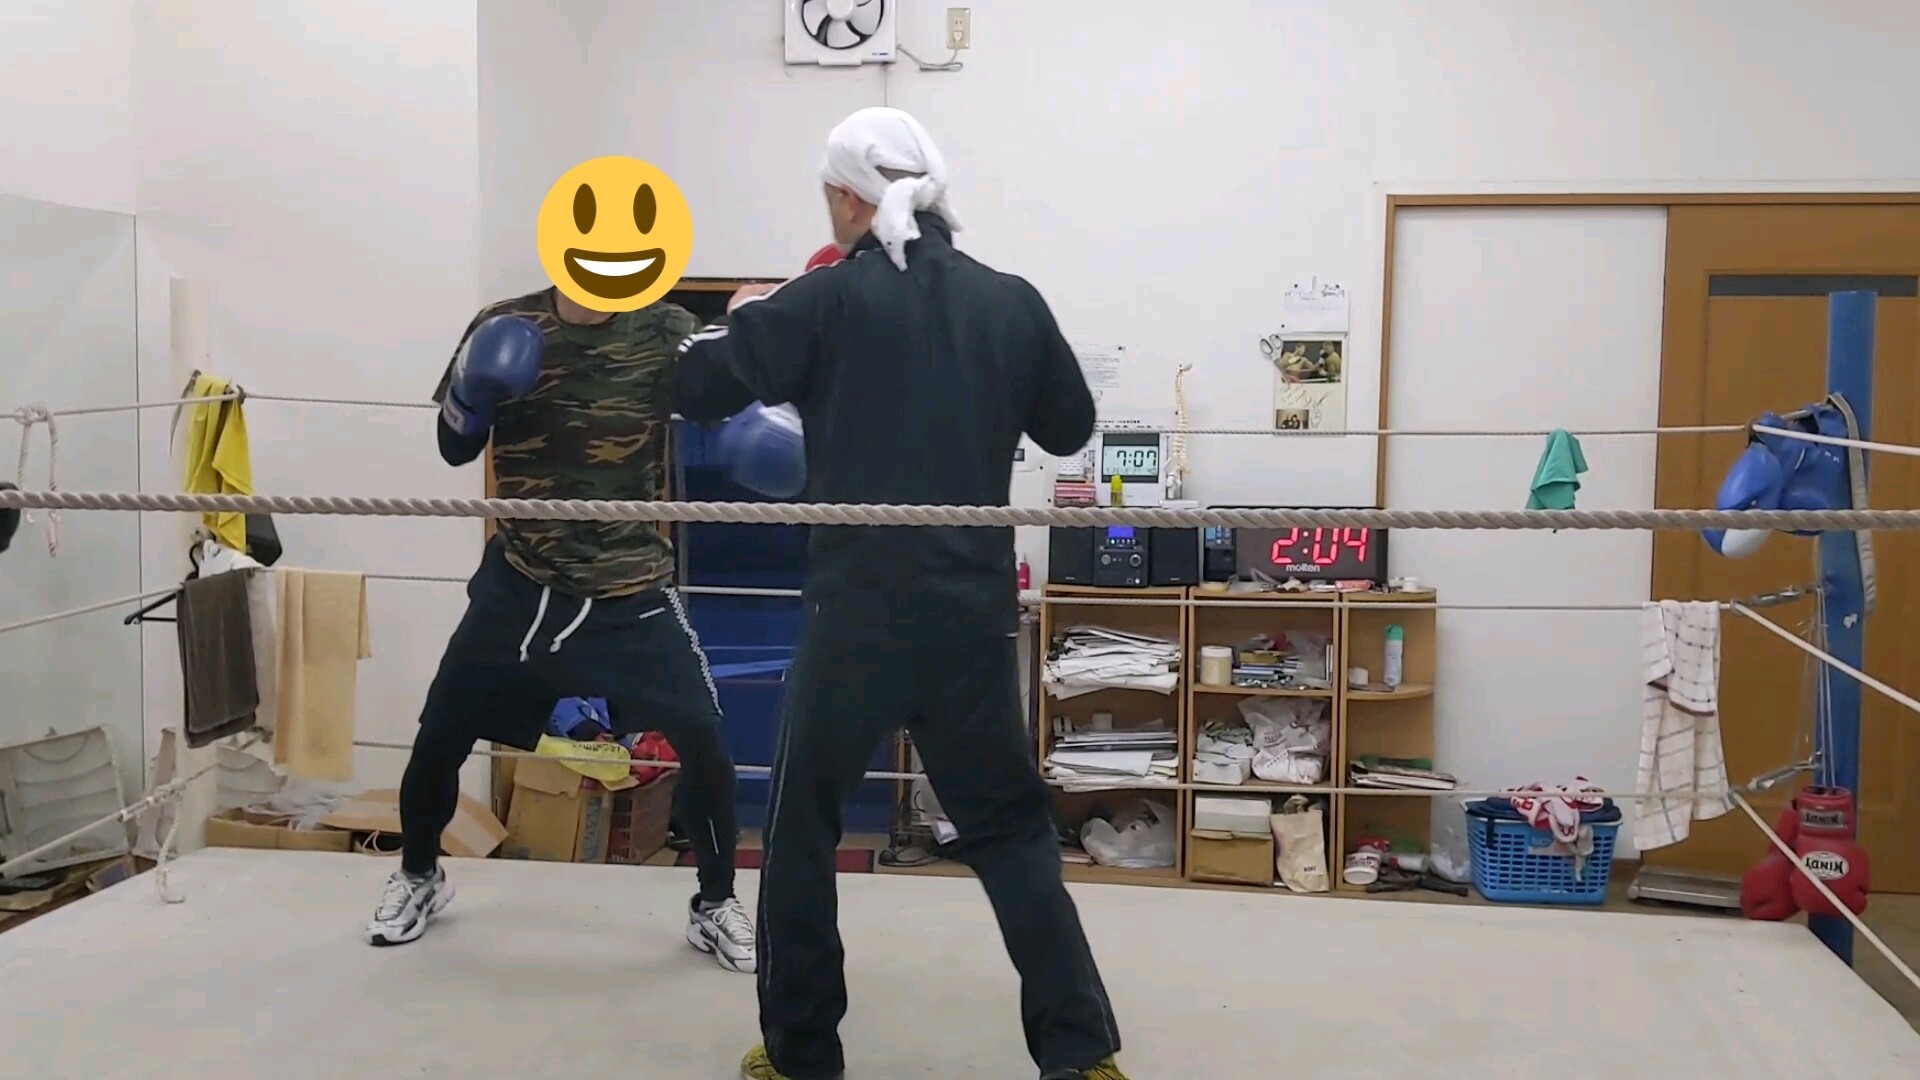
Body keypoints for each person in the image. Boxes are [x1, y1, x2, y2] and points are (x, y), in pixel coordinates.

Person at [674, 107, 1126, 1080]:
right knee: (1011, 833)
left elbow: (698, 387)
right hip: (971, 619)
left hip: (857, 621)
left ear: (847, 197)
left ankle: (802, 1056)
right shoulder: (1010, 301)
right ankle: (1082, 1055)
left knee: (801, 831)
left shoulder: (827, 300)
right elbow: (1069, 426)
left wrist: (752, 314)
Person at [363, 283, 756, 977]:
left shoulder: (668, 328)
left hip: (632, 585)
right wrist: (472, 394)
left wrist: (752, 339)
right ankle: (420, 875)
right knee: (442, 731)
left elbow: (727, 410)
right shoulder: (505, 321)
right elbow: (454, 450)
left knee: (703, 737)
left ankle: (716, 903)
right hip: (523, 581)